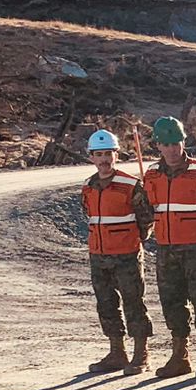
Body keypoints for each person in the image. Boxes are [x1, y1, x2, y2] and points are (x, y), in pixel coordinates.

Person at [140, 116, 196, 379]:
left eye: (176, 142)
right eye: (166, 144)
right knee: (172, 302)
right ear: (158, 146)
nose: (172, 149)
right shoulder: (152, 175)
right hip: (166, 248)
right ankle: (180, 356)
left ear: (183, 141)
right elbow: (147, 208)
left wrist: (195, 227)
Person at [80, 129, 153, 375]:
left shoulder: (131, 185)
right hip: (98, 255)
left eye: (108, 154)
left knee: (134, 303)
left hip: (127, 255)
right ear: (91, 157)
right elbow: (88, 215)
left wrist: (133, 241)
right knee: (106, 304)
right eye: (98, 154)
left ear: (117, 155)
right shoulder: (88, 187)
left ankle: (141, 354)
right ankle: (116, 352)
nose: (103, 160)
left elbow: (146, 220)